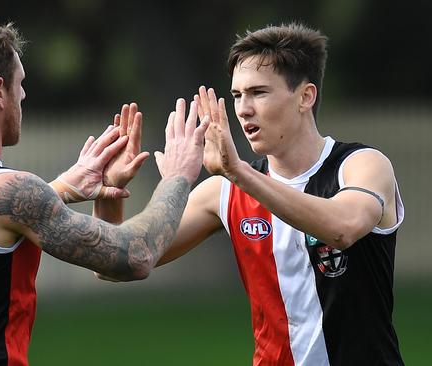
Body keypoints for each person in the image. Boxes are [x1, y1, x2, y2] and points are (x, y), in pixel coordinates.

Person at [0, 16, 208, 366]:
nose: (22, 94)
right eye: (19, 83)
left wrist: (71, 186)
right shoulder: (8, 191)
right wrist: (178, 177)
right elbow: (135, 256)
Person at [98, 23, 405, 365]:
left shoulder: (361, 165)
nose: (243, 109)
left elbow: (343, 227)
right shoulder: (225, 191)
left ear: (306, 96)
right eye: (237, 96)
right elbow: (119, 263)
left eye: (258, 93)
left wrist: (238, 172)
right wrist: (110, 191)